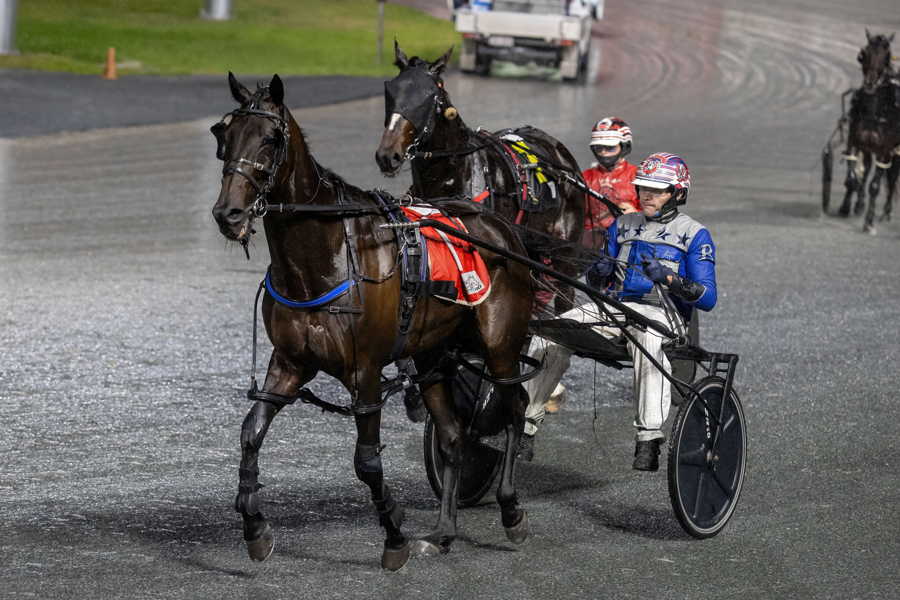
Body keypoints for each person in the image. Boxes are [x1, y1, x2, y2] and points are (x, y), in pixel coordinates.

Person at [520, 152, 717, 470]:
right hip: (617, 308)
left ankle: (648, 438)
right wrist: (599, 272)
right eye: (643, 188)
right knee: (553, 329)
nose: (646, 195)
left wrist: (669, 278)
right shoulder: (622, 225)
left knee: (648, 338)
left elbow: (708, 298)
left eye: (656, 190)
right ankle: (525, 425)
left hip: (664, 315)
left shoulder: (695, 233)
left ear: (677, 193)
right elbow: (599, 282)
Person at [582, 117, 640, 249]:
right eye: (598, 148)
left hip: (628, 239)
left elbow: (658, 214)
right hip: (589, 242)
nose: (603, 152)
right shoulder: (584, 177)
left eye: (610, 147)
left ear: (624, 146)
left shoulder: (638, 177)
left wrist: (637, 214)